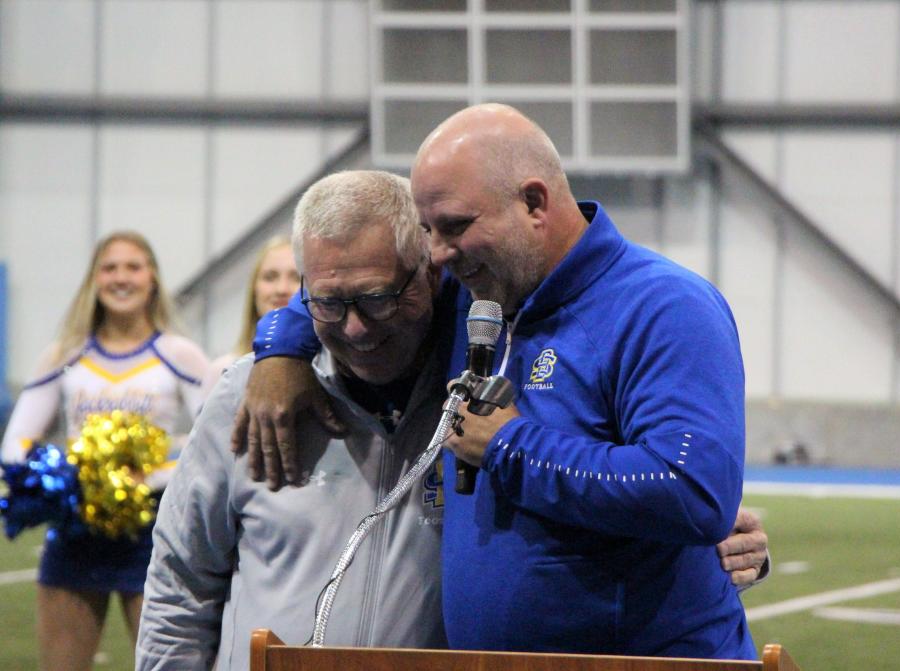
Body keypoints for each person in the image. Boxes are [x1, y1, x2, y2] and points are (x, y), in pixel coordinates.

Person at [236, 104, 763, 658]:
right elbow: (355, 285)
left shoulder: (664, 307)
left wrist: (512, 447)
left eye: (457, 227)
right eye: (427, 230)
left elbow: (692, 491)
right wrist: (279, 350)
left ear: (534, 202)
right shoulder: (478, 289)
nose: (437, 253)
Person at [135, 171, 452, 671]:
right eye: (328, 302)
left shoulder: (477, 390)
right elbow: (180, 586)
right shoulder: (245, 398)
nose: (355, 327)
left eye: (377, 298)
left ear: (429, 271)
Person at [0, 231, 208, 671]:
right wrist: (71, 477)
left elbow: (213, 439)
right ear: (94, 280)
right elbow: (15, 444)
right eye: (109, 267)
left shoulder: (179, 354)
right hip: (76, 531)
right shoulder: (66, 354)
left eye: (133, 266)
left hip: (155, 532)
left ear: (152, 277)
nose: (121, 278)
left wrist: (149, 476)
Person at [201, 236, 300, 396]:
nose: (282, 289)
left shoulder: (328, 369)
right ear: (254, 289)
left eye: (296, 277)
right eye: (270, 277)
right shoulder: (223, 371)